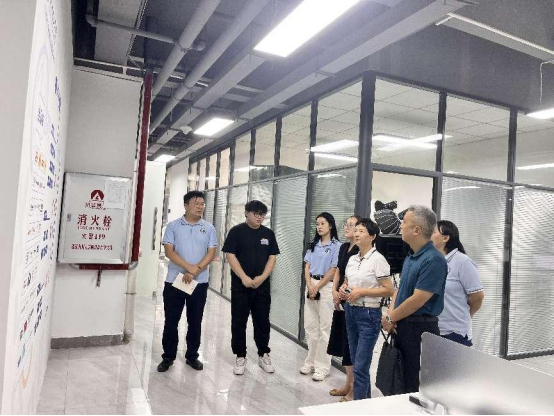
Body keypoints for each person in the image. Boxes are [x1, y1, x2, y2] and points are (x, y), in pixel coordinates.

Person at [382, 206, 448, 394]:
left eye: (404, 223)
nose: (400, 226)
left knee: (412, 383)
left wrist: (391, 318)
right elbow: (399, 289)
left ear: (417, 230)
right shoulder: (411, 257)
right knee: (397, 378)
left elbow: (418, 299)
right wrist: (390, 315)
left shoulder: (434, 260)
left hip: (419, 328)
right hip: (402, 324)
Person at [158, 191, 217, 373]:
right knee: (171, 320)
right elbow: (169, 251)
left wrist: (196, 270)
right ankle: (168, 356)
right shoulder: (173, 226)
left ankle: (192, 356)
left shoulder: (209, 228)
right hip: (174, 281)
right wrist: (189, 268)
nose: (200, 207)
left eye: (202, 204)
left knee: (195, 321)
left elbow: (211, 253)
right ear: (186, 205)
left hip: (199, 282)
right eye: (196, 203)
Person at [223, 201, 280, 376]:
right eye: (256, 214)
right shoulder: (236, 232)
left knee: (262, 321)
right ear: (247, 213)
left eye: (262, 214)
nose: (259, 217)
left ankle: (263, 354)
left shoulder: (268, 234)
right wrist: (244, 277)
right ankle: (240, 355)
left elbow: (272, 257)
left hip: (262, 287)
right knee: (239, 321)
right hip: (241, 286)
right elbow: (230, 255)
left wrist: (262, 278)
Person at [341, 218, 394, 401]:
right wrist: (344, 288)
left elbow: (389, 289)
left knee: (360, 367)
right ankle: (365, 402)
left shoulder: (378, 260)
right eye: (356, 230)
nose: (357, 234)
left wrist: (362, 292)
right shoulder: (352, 259)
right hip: (351, 311)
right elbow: (348, 282)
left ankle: (359, 406)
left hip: (369, 314)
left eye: (362, 231)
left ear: (373, 236)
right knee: (357, 362)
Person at [301, 213, 341, 382]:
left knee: (325, 329)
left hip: (326, 287)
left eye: (322, 223)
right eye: (317, 224)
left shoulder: (337, 246)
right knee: (310, 327)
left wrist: (317, 287)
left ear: (330, 225)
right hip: (311, 285)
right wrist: (310, 285)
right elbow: (307, 266)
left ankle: (322, 367)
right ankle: (310, 362)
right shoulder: (313, 245)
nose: (319, 227)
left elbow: (333, 269)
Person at [432, 220, 485, 347]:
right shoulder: (432, 261)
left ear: (445, 238)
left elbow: (477, 296)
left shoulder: (462, 262)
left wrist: (466, 315)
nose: (429, 235)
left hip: (455, 332)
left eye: (433, 232)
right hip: (433, 329)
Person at [327, 216, 361, 401]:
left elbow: (355, 277)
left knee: (351, 345)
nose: (346, 227)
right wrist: (334, 291)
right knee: (343, 343)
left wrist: (343, 292)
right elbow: (339, 270)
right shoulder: (343, 247)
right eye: (346, 225)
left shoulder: (360, 250)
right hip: (340, 298)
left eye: (351, 225)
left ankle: (354, 387)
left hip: (352, 299)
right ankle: (348, 384)